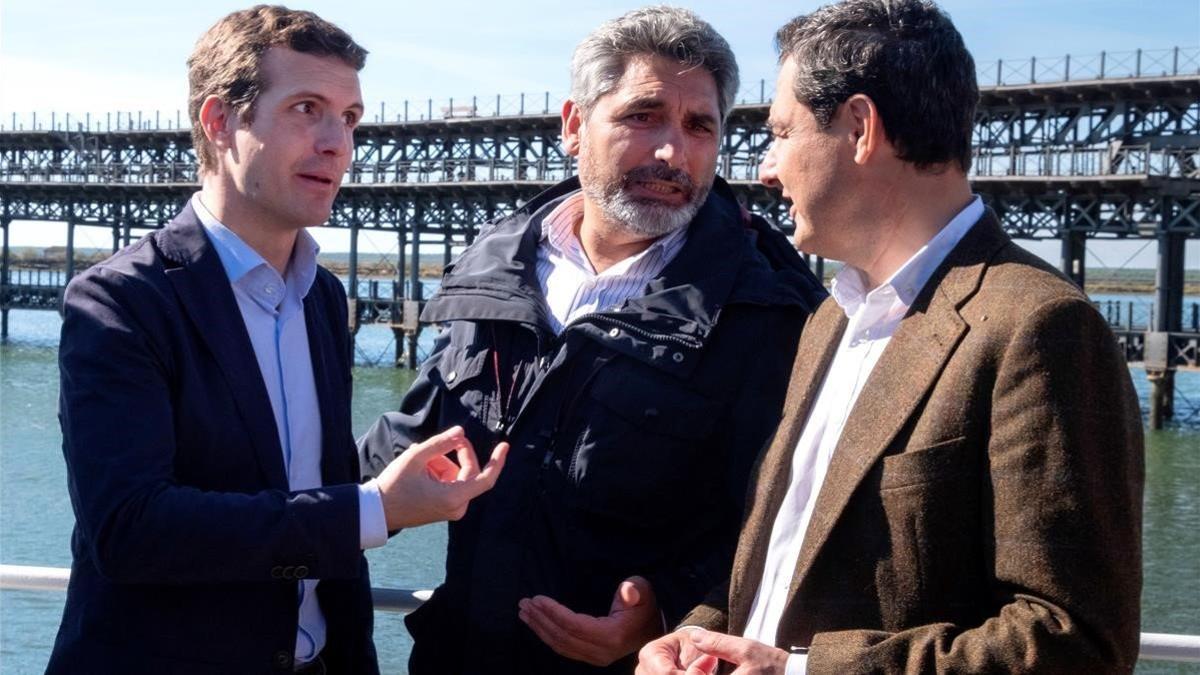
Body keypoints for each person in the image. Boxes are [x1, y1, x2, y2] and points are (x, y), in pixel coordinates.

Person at [636, 1, 1145, 673]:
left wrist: (798, 670)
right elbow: (786, 554)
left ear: (859, 127)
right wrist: (696, 635)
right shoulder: (829, 320)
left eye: (781, 132)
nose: (765, 168)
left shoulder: (1040, 326)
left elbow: (1075, 641)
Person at [357, 6, 826, 673]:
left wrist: (668, 611)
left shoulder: (771, 312)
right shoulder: (497, 271)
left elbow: (795, 524)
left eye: (700, 126)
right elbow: (417, 438)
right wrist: (295, 515)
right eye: (644, 116)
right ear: (574, 126)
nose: (673, 152)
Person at [48, 6, 506, 673]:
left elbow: (306, 481)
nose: (338, 143)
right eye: (306, 108)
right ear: (219, 120)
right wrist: (373, 507)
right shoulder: (120, 301)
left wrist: (398, 488)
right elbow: (131, 528)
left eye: (349, 118)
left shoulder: (323, 296)